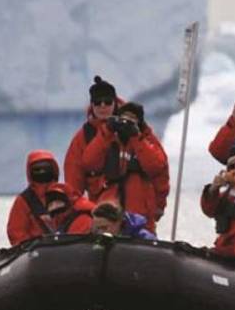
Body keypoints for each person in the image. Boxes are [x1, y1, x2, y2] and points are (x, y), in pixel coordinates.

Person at [80, 101, 169, 231]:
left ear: (140, 122)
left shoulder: (148, 141)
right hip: (108, 214)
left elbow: (157, 168)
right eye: (124, 118)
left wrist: (136, 138)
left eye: (132, 119)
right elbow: (89, 162)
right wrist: (107, 131)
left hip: (140, 215)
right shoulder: (107, 139)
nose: (126, 123)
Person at [63, 75, 124, 199]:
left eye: (107, 101)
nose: (102, 106)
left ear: (115, 103)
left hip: (131, 202)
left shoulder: (131, 128)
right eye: (97, 102)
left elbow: (155, 166)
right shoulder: (84, 136)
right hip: (99, 206)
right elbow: (73, 175)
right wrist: (75, 207)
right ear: (92, 105)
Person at [6, 150, 61, 245]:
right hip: (35, 251)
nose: (42, 172)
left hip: (64, 247)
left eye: (45, 168)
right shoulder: (24, 201)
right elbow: (16, 232)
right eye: (37, 169)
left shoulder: (65, 194)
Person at [89, 200, 157, 240]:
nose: (100, 233)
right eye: (97, 229)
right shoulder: (96, 240)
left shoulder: (144, 239)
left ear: (118, 223)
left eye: (104, 228)